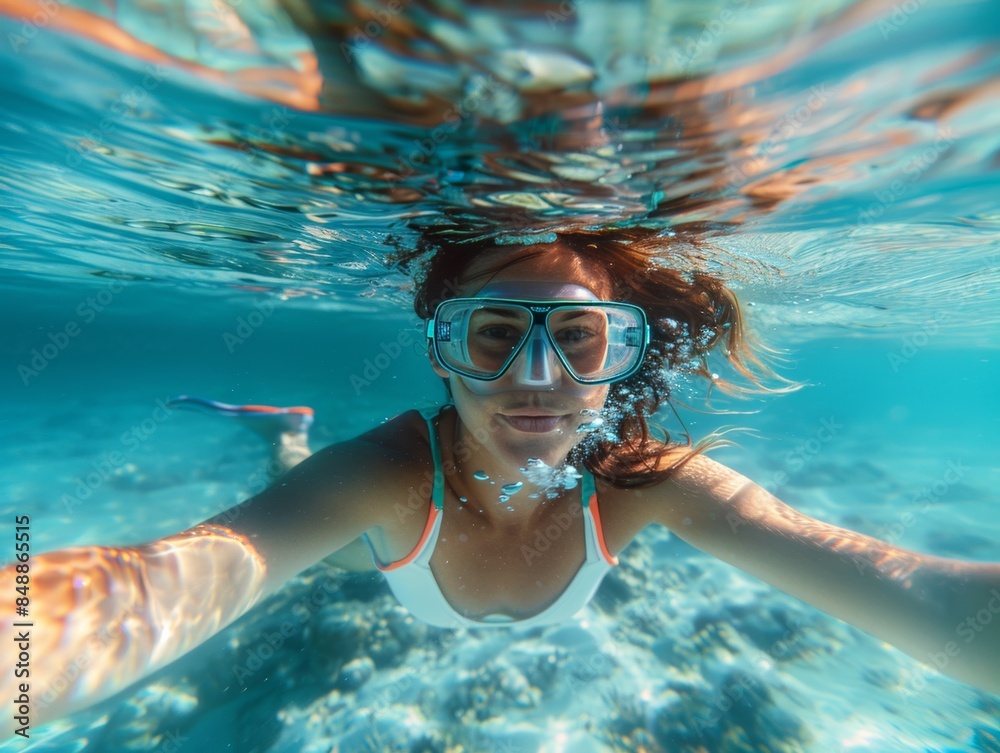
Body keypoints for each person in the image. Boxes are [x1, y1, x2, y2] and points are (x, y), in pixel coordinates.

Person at [3, 226, 998, 740]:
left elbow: (910, 585)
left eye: (577, 339)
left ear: (623, 356)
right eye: (491, 336)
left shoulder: (653, 484)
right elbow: (179, 577)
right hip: (377, 545)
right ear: (443, 353)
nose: (533, 382)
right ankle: (289, 438)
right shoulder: (387, 476)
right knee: (313, 541)